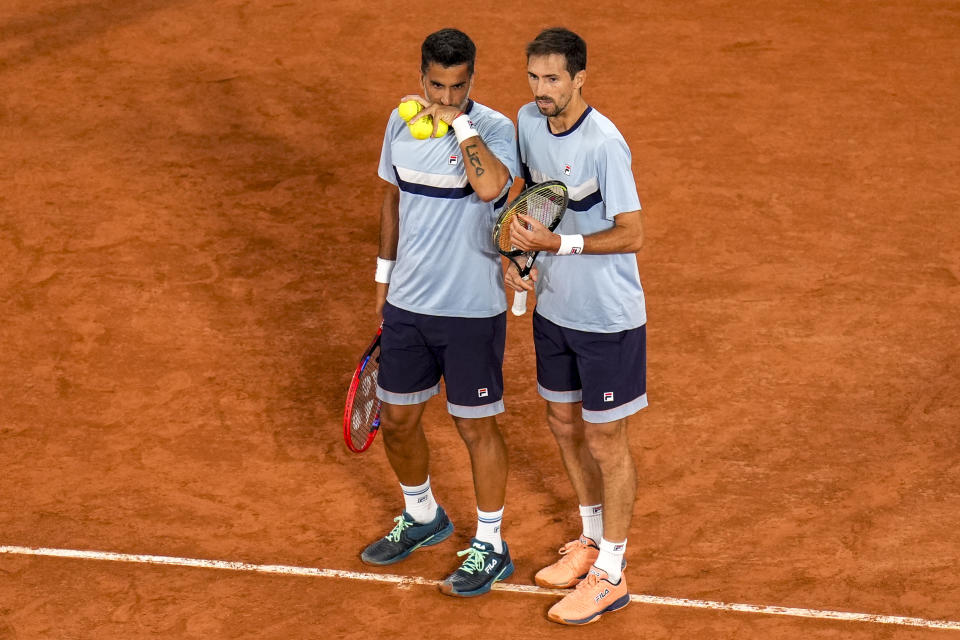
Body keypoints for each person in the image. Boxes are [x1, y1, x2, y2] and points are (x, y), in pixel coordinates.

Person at [361, 28, 519, 599]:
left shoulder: (496, 128)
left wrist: (461, 125)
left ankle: (492, 543)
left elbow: (491, 187)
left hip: (472, 309)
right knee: (398, 420)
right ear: (420, 76)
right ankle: (423, 514)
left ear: (471, 79)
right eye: (437, 85)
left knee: (475, 427)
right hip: (408, 302)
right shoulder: (399, 122)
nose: (447, 96)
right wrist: (383, 277)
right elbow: (391, 198)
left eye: (458, 87)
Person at [504, 27, 647, 625]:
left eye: (553, 79)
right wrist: (519, 256)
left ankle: (611, 571)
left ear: (580, 78)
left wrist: (556, 243)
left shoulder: (605, 144)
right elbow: (527, 197)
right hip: (554, 311)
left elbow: (633, 232)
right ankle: (589, 539)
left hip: (608, 319)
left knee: (605, 439)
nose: (541, 90)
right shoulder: (527, 122)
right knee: (562, 421)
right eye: (534, 77)